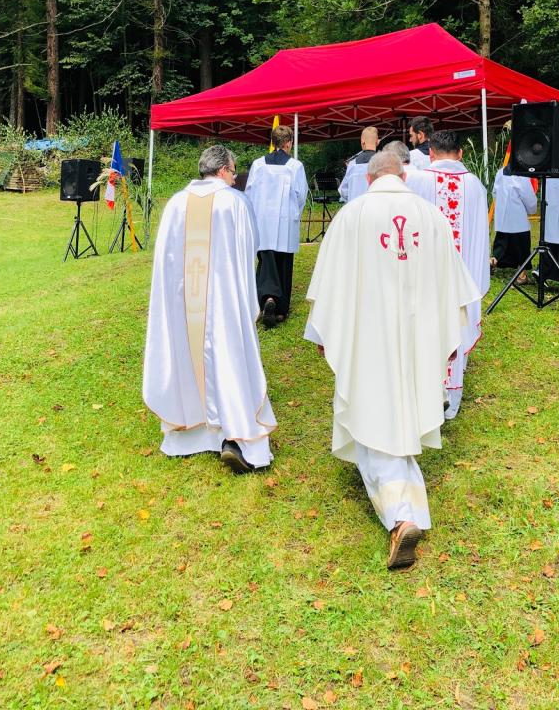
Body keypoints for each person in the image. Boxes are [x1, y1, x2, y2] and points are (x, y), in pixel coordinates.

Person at [304, 150, 479, 570]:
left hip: (368, 333)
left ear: (368, 179)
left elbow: (329, 286)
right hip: (418, 334)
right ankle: (407, 510)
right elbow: (453, 287)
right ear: (403, 175)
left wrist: (324, 334)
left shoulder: (351, 215)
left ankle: (402, 516)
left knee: (372, 414)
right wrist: (449, 337)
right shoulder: (431, 216)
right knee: (397, 414)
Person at [143, 145, 276, 472]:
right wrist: (246, 298)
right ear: (223, 170)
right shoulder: (234, 202)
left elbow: (165, 260)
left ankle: (190, 435)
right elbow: (248, 251)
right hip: (223, 301)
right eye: (233, 171)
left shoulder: (176, 203)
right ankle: (236, 436)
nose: (234, 178)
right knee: (229, 361)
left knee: (188, 357)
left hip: (184, 300)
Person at [405, 130, 490, 418]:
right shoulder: (475, 186)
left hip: (425, 274)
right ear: (460, 153)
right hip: (464, 274)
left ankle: (423, 395)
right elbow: (481, 235)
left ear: (430, 153)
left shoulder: (416, 181)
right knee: (457, 325)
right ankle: (450, 401)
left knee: (425, 332)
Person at [245, 125, 308, 327]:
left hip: (263, 220)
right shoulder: (295, 166)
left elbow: (249, 193)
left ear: (272, 142)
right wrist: (294, 214)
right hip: (284, 221)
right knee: (283, 262)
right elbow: (301, 195)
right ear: (289, 143)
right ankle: (280, 309)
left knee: (266, 260)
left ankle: (267, 299)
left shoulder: (258, 165)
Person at [491, 163, 537, 283]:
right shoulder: (522, 175)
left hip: (502, 218)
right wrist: (532, 210)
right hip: (518, 218)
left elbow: (494, 192)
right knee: (521, 248)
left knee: (502, 244)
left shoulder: (500, 172)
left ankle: (493, 261)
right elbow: (528, 197)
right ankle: (522, 275)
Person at [338, 126, 380, 203]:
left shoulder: (352, 164)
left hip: (355, 208)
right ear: (377, 142)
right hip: (375, 207)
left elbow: (343, 191)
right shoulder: (383, 163)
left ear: (362, 141)